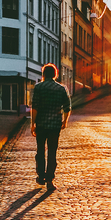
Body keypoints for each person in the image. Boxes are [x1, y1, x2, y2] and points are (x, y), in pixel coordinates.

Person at [30, 63, 71, 191]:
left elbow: (35, 107)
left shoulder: (39, 88)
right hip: (55, 126)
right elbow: (67, 107)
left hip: (41, 124)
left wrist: (33, 124)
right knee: (52, 152)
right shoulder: (61, 89)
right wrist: (64, 121)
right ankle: (50, 179)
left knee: (40, 151)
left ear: (43, 74)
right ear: (55, 74)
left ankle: (41, 176)